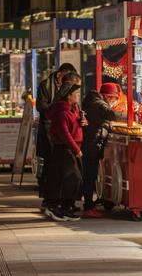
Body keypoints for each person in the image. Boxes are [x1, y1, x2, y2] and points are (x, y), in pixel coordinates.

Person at [36, 63, 77, 209]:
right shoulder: (45, 86)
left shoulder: (69, 89)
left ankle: (64, 200)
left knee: (62, 170)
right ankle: (49, 200)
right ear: (60, 75)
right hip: (48, 132)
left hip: (62, 133)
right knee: (48, 167)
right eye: (65, 78)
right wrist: (57, 109)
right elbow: (41, 107)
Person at [43, 81, 85, 222]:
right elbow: (64, 134)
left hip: (72, 149)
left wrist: (84, 122)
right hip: (64, 150)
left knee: (72, 180)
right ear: (68, 95)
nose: (78, 96)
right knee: (69, 179)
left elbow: (76, 125)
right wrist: (76, 150)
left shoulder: (75, 109)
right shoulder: (61, 112)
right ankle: (59, 209)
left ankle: (68, 208)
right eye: (76, 94)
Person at [80, 83, 119, 218]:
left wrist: (105, 124)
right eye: (113, 99)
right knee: (89, 175)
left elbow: (99, 120)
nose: (113, 102)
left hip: (90, 141)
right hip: (91, 143)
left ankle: (90, 203)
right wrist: (130, 113)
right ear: (108, 97)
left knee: (90, 174)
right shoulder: (98, 103)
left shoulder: (92, 101)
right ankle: (88, 206)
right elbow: (111, 114)